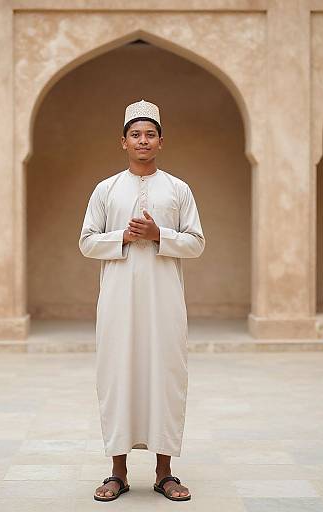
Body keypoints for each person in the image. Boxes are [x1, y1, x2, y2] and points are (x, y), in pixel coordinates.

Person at [79, 99, 205, 502]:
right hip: (117, 302)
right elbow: (86, 242)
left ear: (161, 141)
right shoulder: (106, 189)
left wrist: (158, 235)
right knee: (118, 376)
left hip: (165, 302)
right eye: (136, 134)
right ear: (123, 141)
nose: (143, 140)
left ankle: (165, 472)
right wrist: (124, 237)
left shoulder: (178, 189)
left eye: (150, 134)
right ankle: (117, 472)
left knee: (165, 376)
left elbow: (197, 243)